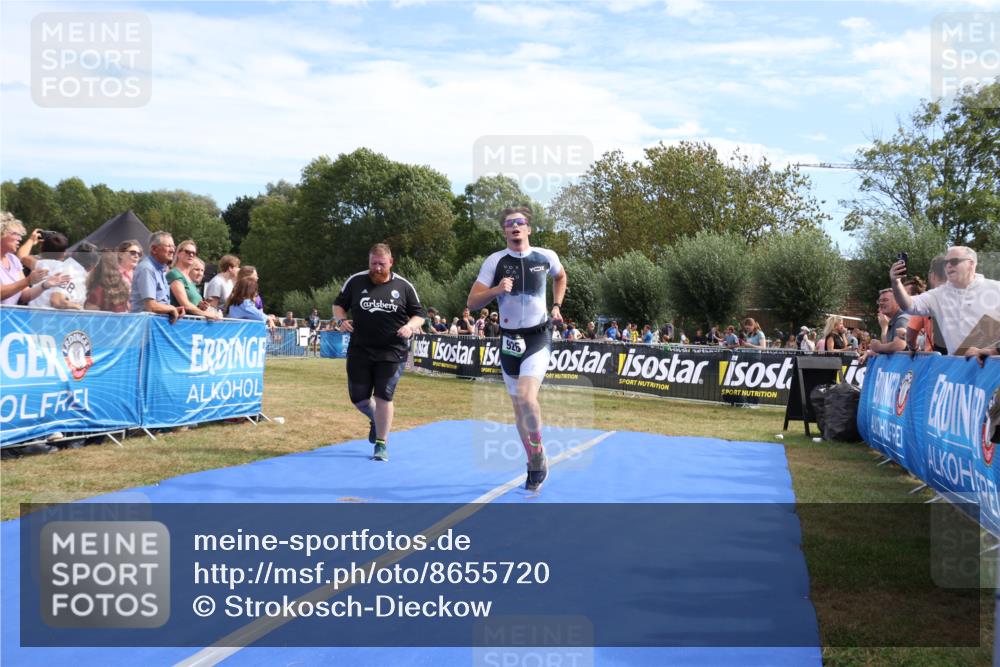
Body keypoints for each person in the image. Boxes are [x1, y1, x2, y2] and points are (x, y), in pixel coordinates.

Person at [467, 207, 567, 492]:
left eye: (520, 223)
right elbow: (473, 302)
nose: (515, 227)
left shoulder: (546, 257)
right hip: (509, 340)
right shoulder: (494, 261)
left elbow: (561, 277)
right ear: (504, 231)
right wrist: (496, 290)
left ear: (529, 229)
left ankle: (537, 450)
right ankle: (534, 459)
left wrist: (557, 306)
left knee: (526, 396)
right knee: (517, 407)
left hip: (538, 336)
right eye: (510, 224)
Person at [333, 243, 425, 462]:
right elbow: (338, 305)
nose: (377, 268)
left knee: (384, 396)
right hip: (360, 350)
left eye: (381, 264)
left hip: (392, 351)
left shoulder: (403, 286)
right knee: (359, 399)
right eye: (373, 263)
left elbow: (419, 314)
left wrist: (410, 326)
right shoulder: (355, 281)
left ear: (390, 263)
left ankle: (382, 444)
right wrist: (341, 320)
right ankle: (375, 419)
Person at [890, 246, 999, 355]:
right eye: (945, 263)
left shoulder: (995, 288)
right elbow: (909, 305)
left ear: (971, 264)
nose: (948, 265)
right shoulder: (938, 295)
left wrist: (992, 351)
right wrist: (896, 283)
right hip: (958, 367)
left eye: (954, 261)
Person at [0, 213, 61, 305]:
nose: (20, 238)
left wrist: (45, 285)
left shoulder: (13, 260)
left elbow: (24, 295)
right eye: (16, 234)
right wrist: (28, 280)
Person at [129, 231, 183, 324]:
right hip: (143, 327)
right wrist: (171, 308)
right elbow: (151, 306)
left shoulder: (160, 270)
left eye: (173, 247)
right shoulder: (147, 269)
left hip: (153, 326)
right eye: (168, 246)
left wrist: (173, 310)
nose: (173, 250)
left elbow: (159, 304)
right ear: (154, 249)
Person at [167, 240, 221, 320]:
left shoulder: (188, 278)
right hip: (179, 324)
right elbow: (185, 304)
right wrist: (207, 314)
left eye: (194, 253)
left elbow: (191, 304)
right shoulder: (175, 274)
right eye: (187, 252)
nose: (191, 255)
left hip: (191, 323)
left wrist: (200, 306)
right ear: (178, 253)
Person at [861, 288, 909, 363]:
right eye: (879, 301)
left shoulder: (902, 319)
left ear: (897, 302)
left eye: (885, 300)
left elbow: (899, 346)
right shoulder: (893, 320)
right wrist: (884, 328)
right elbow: (887, 347)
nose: (881, 303)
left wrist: (878, 347)